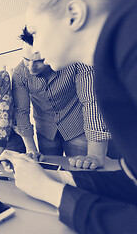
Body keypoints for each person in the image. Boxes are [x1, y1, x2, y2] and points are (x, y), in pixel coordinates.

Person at [0, 0, 137, 233]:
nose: (35, 47)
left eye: (36, 32)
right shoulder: (114, 56)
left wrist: (49, 191)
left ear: (74, 15)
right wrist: (56, 179)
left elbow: (90, 104)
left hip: (75, 126)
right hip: (46, 128)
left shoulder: (128, 45)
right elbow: (132, 182)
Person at [12, 26, 112, 169]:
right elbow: (21, 112)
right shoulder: (19, 74)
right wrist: (31, 149)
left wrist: (95, 155)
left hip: (77, 129)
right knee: (51, 172)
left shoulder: (77, 62)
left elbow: (91, 102)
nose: (31, 68)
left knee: (82, 171)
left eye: (39, 61)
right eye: (26, 60)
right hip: (46, 132)